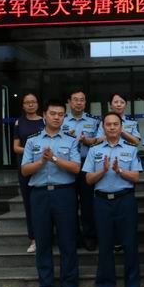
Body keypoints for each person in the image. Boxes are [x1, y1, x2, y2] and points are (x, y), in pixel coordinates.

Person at [21, 99, 80, 287]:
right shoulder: (33, 141)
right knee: (43, 242)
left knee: (68, 242)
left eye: (61, 114)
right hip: (40, 195)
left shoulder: (71, 140)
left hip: (64, 194)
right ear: (44, 115)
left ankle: (69, 286)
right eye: (53, 114)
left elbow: (76, 168)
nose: (57, 117)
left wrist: (54, 159)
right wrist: (42, 161)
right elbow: (25, 170)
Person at [83, 112, 143, 287]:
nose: (112, 127)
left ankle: (133, 286)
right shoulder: (94, 150)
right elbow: (88, 179)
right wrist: (103, 170)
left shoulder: (131, 149)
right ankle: (105, 286)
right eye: (108, 124)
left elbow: (136, 177)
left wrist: (119, 170)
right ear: (103, 127)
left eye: (115, 124)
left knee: (130, 244)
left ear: (121, 127)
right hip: (102, 202)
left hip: (125, 200)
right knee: (105, 245)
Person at [62, 89, 100, 251]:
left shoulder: (94, 121)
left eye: (82, 100)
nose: (78, 102)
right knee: (69, 203)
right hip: (66, 164)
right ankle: (74, 237)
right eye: (75, 99)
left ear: (85, 103)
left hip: (86, 164)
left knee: (87, 203)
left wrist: (88, 141)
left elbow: (100, 141)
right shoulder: (61, 120)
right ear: (69, 102)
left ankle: (89, 236)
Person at [13, 92, 45, 254]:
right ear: (23, 105)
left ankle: (47, 236)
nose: (31, 105)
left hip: (44, 166)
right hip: (26, 166)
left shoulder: (45, 121)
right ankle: (34, 239)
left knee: (45, 202)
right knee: (29, 203)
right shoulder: (19, 122)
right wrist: (32, 150)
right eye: (27, 102)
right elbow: (16, 147)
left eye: (33, 102)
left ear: (38, 104)